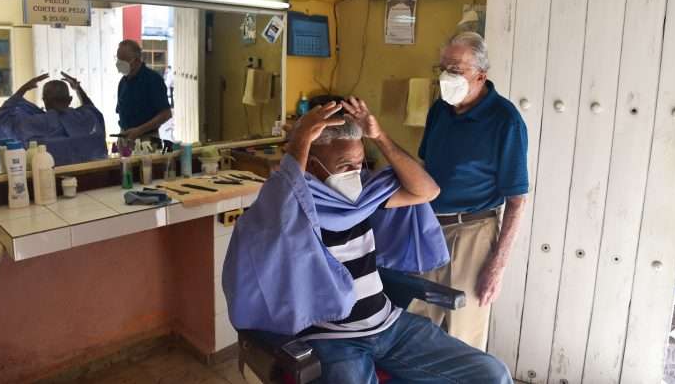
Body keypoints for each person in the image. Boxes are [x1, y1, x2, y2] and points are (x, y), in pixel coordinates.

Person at [223, 98, 512, 383]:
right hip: (333, 338)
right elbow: (282, 221)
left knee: (492, 374)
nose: (355, 174)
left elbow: (427, 191)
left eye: (359, 164)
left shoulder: (364, 198)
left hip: (389, 324)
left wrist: (380, 137)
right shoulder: (290, 206)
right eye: (344, 165)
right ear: (312, 166)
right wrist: (299, 142)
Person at [409, 32, 528, 351]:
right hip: (430, 227)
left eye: (456, 69)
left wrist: (497, 266)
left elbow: (517, 201)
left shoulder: (506, 121)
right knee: (419, 323)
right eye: (443, 68)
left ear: (481, 74)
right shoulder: (439, 111)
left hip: (473, 231)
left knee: (462, 335)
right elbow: (424, 167)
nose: (446, 76)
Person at [0, 72, 107, 165]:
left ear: (44, 100)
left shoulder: (35, 122)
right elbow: (92, 109)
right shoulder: (85, 119)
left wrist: (23, 90)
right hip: (90, 178)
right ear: (70, 100)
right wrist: (78, 89)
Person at [115, 39, 171, 141]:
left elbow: (166, 114)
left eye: (123, 61)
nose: (119, 64)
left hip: (147, 140)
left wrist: (139, 131)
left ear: (136, 60)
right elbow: (121, 112)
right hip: (125, 138)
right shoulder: (123, 82)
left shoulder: (153, 80)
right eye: (118, 59)